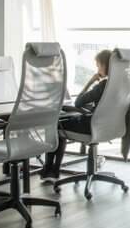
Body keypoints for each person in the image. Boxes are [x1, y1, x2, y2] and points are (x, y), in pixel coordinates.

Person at [41, 49, 111, 181]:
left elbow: (78, 102)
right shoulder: (119, 84)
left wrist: (90, 81)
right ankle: (52, 169)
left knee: (56, 124)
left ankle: (51, 170)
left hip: (91, 127)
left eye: (98, 66)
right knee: (65, 120)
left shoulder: (102, 86)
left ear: (104, 65)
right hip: (108, 127)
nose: (97, 69)